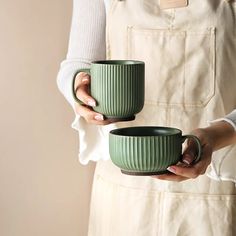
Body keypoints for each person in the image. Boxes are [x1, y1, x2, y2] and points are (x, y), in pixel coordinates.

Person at [57, 0, 236, 235]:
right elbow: (78, 63)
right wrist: (79, 88)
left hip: (213, 193)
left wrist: (216, 135)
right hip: (123, 197)